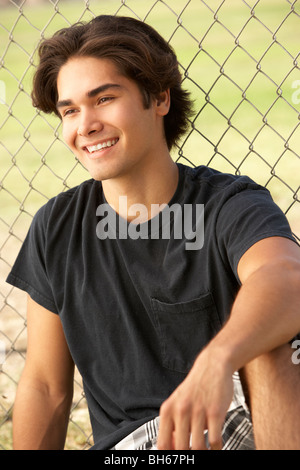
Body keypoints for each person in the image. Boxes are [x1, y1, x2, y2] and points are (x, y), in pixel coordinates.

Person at [6, 15, 300, 451]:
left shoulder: (228, 204)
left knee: (272, 344)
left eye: (103, 98)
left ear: (159, 98)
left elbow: (287, 278)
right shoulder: (55, 227)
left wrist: (218, 360)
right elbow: (46, 387)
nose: (84, 125)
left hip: (232, 424)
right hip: (133, 451)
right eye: (69, 110)